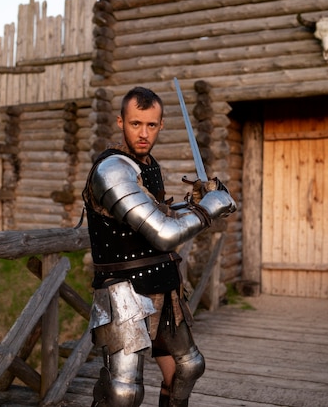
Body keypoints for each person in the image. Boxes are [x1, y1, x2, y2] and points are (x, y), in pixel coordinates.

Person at [83, 86, 236, 407]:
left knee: (189, 367)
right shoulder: (113, 170)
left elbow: (154, 215)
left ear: (161, 125)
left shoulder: (146, 164)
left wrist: (192, 203)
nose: (143, 133)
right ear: (120, 122)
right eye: (135, 123)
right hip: (124, 290)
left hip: (161, 284)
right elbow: (164, 234)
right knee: (124, 393)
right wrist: (211, 207)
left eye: (151, 125)